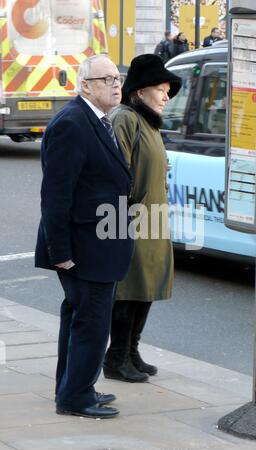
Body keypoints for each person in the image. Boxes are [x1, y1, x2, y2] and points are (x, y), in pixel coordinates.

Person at [35, 55, 134, 418]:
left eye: (117, 77)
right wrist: (59, 250)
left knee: (80, 318)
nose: (115, 84)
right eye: (105, 78)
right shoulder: (73, 124)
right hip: (84, 247)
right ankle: (74, 397)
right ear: (85, 85)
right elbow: (55, 194)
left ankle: (74, 386)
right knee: (91, 323)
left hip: (99, 243)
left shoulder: (96, 120)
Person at [104, 54, 182, 382]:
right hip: (131, 218)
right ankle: (116, 356)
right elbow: (115, 170)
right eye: (160, 89)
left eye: (167, 91)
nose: (166, 96)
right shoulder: (125, 118)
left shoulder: (149, 122)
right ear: (139, 92)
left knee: (147, 286)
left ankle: (131, 351)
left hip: (152, 217)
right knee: (127, 288)